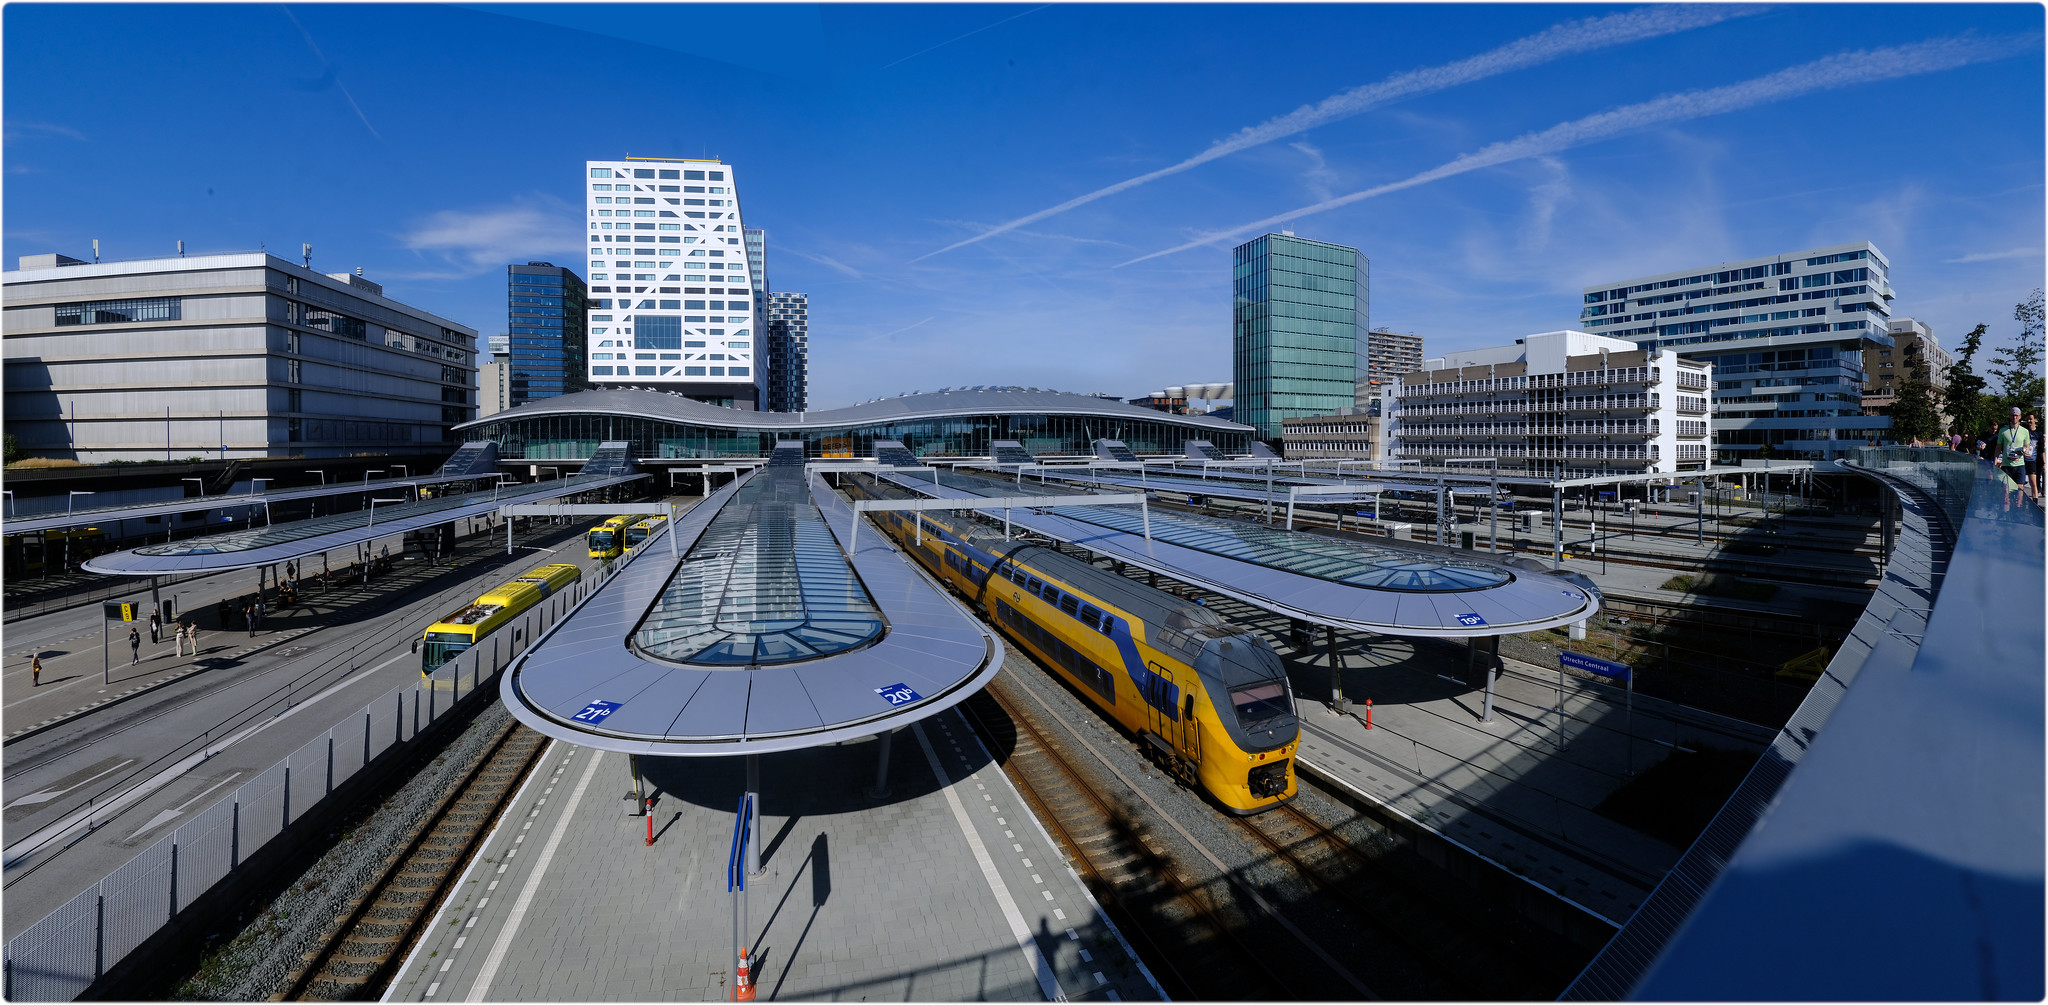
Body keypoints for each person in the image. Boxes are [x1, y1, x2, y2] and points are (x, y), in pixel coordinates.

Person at [1997, 406, 2032, 510]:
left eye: (2016, 415)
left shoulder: (2025, 431)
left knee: (2019, 491)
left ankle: (2018, 510)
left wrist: (2023, 451)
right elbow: (1998, 446)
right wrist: (1996, 459)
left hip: (2019, 465)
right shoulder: (2003, 430)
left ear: (2020, 417)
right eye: (2012, 415)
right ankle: (2006, 513)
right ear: (2009, 416)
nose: (2014, 417)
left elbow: (2027, 447)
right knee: (2005, 492)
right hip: (2006, 465)